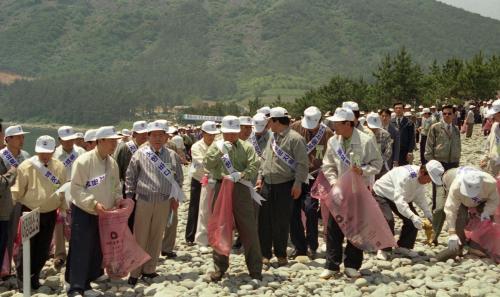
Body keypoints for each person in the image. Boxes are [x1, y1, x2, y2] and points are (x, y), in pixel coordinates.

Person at [320, 107, 383, 279]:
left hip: (359, 190)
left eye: (337, 123)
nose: (334, 126)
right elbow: (328, 165)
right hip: (339, 190)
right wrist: (333, 183)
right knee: (334, 228)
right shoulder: (333, 141)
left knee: (357, 228)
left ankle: (352, 265)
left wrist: (362, 170)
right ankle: (332, 265)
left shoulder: (365, 140)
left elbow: (377, 163)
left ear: (348, 123)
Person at [65, 126, 122, 297]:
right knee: (81, 248)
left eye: (115, 141)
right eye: (111, 141)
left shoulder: (112, 162)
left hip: (104, 213)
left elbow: (116, 185)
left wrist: (118, 199)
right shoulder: (84, 161)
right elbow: (75, 189)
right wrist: (93, 203)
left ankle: (86, 280)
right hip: (84, 211)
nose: (114, 144)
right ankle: (76, 288)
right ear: (100, 141)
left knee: (97, 247)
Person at [204, 115, 263, 282]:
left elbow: (254, 165)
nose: (230, 136)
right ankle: (219, 268)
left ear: (238, 132)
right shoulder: (216, 146)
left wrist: (242, 174)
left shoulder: (247, 147)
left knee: (249, 228)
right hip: (221, 187)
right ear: (222, 132)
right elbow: (207, 165)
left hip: (241, 188)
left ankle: (255, 268)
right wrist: (219, 151)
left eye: (234, 132)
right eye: (227, 133)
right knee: (220, 226)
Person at [125, 121, 184, 286]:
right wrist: (130, 197)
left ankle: (149, 269)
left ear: (166, 137)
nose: (158, 138)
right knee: (140, 237)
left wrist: (175, 197)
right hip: (144, 200)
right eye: (154, 135)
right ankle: (135, 271)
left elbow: (178, 178)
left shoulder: (172, 156)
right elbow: (130, 176)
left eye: (161, 135)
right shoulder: (140, 154)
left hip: (164, 201)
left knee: (157, 236)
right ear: (148, 136)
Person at [12, 136, 66, 290]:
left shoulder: (59, 167)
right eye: (42, 152)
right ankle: (22, 278)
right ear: (36, 150)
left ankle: (35, 275)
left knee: (43, 247)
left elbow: (62, 189)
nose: (45, 155)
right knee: (27, 246)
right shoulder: (26, 166)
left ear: (53, 151)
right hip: (30, 211)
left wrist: (63, 207)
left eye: (48, 152)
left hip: (50, 212)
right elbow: (17, 190)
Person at [257, 107, 308, 267]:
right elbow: (264, 159)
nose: (268, 124)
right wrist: (260, 177)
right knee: (264, 220)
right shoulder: (272, 137)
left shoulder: (295, 138)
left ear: (276, 121)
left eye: (270, 121)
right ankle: (264, 253)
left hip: (285, 185)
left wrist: (298, 183)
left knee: (281, 221)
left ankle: (280, 254)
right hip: (267, 183)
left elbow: (302, 164)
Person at [373, 160, 444, 260]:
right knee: (388, 220)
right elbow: (399, 201)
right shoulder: (405, 177)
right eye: (430, 179)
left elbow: (420, 197)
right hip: (382, 193)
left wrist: (428, 214)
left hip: (401, 197)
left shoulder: (420, 178)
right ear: (423, 172)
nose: (429, 182)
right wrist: (412, 216)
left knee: (413, 222)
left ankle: (403, 246)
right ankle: (384, 249)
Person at [289, 106, 334, 259]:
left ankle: (312, 245)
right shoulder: (295, 127)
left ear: (320, 121)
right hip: (296, 176)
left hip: (316, 177)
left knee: (310, 209)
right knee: (294, 211)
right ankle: (299, 246)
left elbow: (331, 155)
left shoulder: (327, 133)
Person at [436, 168, 499, 261]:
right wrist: (452, 232)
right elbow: (450, 210)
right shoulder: (456, 186)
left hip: (481, 200)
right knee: (460, 217)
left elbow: (494, 200)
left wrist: (487, 211)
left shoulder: (490, 183)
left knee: (488, 222)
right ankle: (458, 247)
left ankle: (479, 246)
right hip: (460, 198)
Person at [53, 126, 86, 271]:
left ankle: (76, 251)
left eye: (71, 139)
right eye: (65, 140)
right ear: (59, 140)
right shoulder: (54, 154)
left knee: (77, 222)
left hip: (78, 192)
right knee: (59, 223)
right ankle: (60, 254)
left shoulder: (81, 152)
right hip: (60, 192)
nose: (69, 142)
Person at [0, 125, 30, 278]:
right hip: (6, 202)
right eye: (18, 137)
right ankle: (5, 268)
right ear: (7, 139)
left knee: (22, 234)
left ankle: (19, 266)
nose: (22, 139)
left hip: (23, 200)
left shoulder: (25, 155)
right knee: (7, 234)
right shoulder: (2, 155)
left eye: (22, 136)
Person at [188, 121, 220, 251]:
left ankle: (212, 236)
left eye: (213, 135)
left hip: (214, 180)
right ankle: (191, 237)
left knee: (211, 208)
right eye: (209, 134)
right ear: (203, 133)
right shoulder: (196, 146)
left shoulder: (217, 145)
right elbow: (202, 163)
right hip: (199, 178)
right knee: (196, 207)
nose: (212, 137)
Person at [425, 105, 461, 214]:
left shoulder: (456, 129)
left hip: (453, 163)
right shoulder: (435, 127)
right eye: (444, 113)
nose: (446, 116)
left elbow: (458, 145)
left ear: (454, 115)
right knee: (438, 188)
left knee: (451, 188)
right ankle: (436, 211)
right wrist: (431, 162)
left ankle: (448, 210)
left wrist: (457, 158)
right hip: (439, 162)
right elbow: (429, 146)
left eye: (449, 113)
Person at [113, 121, 149, 230]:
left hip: (144, 188)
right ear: (134, 134)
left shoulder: (148, 149)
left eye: (146, 133)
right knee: (130, 217)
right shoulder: (125, 148)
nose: (144, 136)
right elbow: (118, 169)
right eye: (140, 133)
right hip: (129, 188)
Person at [366, 112, 392, 179]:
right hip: (364, 167)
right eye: (371, 127)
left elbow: (388, 152)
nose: (374, 130)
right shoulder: (361, 134)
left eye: (376, 127)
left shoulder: (385, 134)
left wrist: (378, 162)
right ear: (366, 124)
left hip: (381, 167)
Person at [480, 99, 500, 175]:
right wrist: (485, 158)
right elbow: (489, 144)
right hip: (493, 165)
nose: (493, 116)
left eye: (495, 113)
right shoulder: (495, 126)